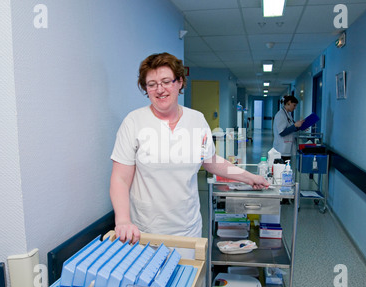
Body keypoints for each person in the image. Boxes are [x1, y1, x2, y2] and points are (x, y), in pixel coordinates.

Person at [110, 52, 269, 243]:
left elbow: (211, 161)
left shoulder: (196, 120)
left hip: (187, 228)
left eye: (166, 81)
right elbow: (120, 178)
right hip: (145, 230)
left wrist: (249, 177)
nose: (160, 89)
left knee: (189, 273)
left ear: (179, 82)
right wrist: (123, 220)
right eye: (152, 84)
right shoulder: (134, 122)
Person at [273, 96, 304, 162]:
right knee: (281, 169)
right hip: (281, 149)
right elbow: (282, 132)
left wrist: (300, 127)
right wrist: (295, 125)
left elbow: (291, 128)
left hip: (287, 148)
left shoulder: (288, 115)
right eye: (294, 105)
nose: (295, 108)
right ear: (289, 103)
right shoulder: (280, 115)